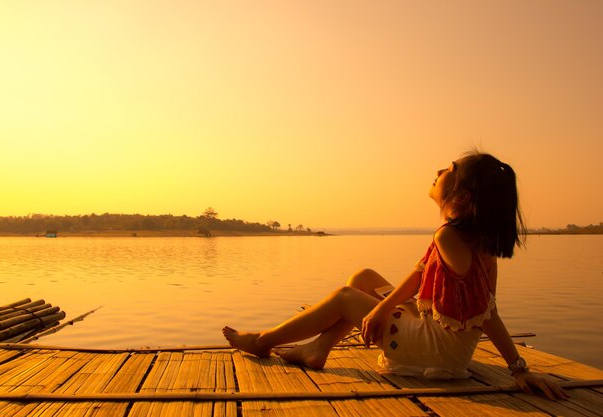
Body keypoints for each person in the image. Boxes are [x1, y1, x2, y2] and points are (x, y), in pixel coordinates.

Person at [223, 151, 568, 401]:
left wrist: (519, 368)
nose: (437, 169)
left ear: (460, 196)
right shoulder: (474, 240)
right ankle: (319, 349)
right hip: (448, 344)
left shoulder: (448, 236)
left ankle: (263, 341)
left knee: (346, 297)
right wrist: (382, 306)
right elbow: (429, 280)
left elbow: (484, 310)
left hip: (435, 350)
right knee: (363, 276)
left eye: (448, 169)